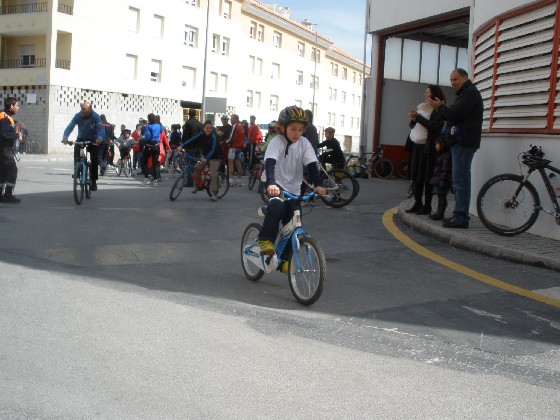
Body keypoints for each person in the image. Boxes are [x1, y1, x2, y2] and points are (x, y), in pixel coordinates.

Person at [257, 105, 326, 262]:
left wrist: (318, 184)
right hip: (275, 183)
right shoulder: (277, 142)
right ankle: (265, 241)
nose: (297, 133)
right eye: (293, 129)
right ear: (283, 127)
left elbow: (312, 165)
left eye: (300, 129)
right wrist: (271, 183)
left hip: (294, 188)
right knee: (276, 207)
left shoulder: (304, 143)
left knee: (295, 222)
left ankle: (285, 260)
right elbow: (270, 163)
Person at [427, 68, 483, 229]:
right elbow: (454, 114)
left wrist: (440, 107)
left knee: (460, 180)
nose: (452, 83)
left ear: (465, 78)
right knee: (459, 179)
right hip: (460, 143)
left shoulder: (469, 93)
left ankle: (460, 217)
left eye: (455, 79)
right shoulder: (466, 93)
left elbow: (455, 114)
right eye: (451, 80)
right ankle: (459, 215)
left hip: (463, 143)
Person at [405, 85, 446, 215]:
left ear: (434, 94)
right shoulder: (422, 107)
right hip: (416, 146)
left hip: (428, 149)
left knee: (427, 178)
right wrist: (413, 119)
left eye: (427, 92)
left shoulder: (439, 110)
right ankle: (417, 203)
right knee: (415, 176)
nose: (425, 95)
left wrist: (418, 117)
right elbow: (414, 125)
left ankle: (427, 206)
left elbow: (433, 126)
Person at [62, 101, 105, 191]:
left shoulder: (96, 117)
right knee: (77, 154)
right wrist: (65, 137)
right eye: (81, 108)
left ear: (90, 110)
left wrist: (99, 138)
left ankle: (93, 180)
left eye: (84, 109)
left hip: (93, 140)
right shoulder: (78, 116)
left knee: (94, 159)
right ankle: (77, 172)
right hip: (81, 139)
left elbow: (101, 129)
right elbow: (70, 126)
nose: (82, 111)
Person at [177, 120, 222, 201]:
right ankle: (199, 186)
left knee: (213, 174)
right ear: (203, 128)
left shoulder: (214, 136)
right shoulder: (202, 134)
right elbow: (193, 139)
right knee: (196, 168)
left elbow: (214, 149)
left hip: (215, 157)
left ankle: (214, 193)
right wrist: (182, 146)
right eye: (207, 128)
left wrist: (206, 158)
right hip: (205, 156)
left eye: (210, 128)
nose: (209, 129)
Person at [0, 97, 22, 203]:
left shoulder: (6, 116)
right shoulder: (4, 117)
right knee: (12, 171)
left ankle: (1, 195)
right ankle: (8, 195)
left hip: (4, 149)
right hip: (4, 149)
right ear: (11, 106)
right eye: (17, 105)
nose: (18, 107)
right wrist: (17, 135)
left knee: (3, 172)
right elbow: (4, 133)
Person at [428, 136, 452, 221]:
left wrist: (442, 183)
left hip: (443, 180)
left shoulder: (446, 155)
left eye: (437, 144)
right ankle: (438, 212)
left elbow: (445, 170)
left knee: (442, 196)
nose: (435, 146)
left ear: (442, 144)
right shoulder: (442, 154)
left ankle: (440, 214)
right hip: (440, 179)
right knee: (440, 195)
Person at [141, 113, 163, 186]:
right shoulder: (158, 125)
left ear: (149, 119)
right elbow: (160, 131)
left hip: (149, 146)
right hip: (157, 146)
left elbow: (148, 136)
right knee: (155, 164)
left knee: (144, 162)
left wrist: (143, 138)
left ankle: (146, 178)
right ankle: (155, 181)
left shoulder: (148, 127)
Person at [226, 114, 245, 187]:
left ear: (235, 119)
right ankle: (239, 181)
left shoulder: (235, 126)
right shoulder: (241, 127)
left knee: (230, 164)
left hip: (233, 147)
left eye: (231, 118)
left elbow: (231, 137)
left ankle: (230, 181)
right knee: (239, 163)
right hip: (239, 148)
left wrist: (226, 142)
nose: (230, 120)